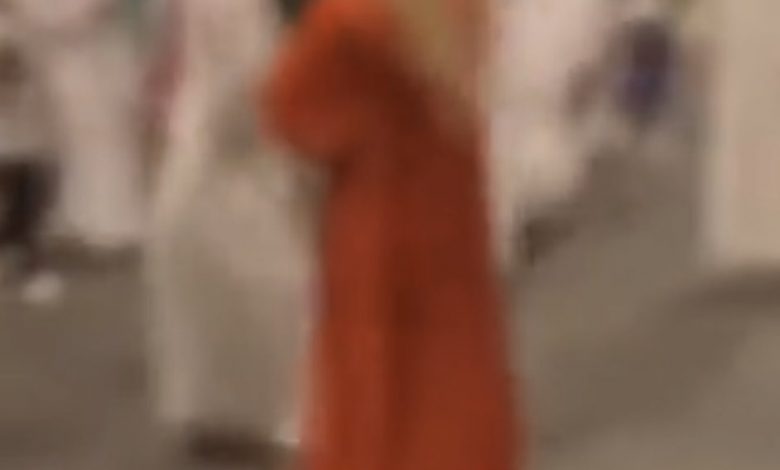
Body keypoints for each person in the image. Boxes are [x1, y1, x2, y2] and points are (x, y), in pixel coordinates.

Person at [261, 0, 518, 469]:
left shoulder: (346, 19)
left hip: (376, 218)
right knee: (457, 362)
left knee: (380, 378)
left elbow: (288, 109)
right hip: (451, 206)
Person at [147, 0, 316, 462]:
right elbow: (243, 82)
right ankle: (246, 412)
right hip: (227, 154)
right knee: (254, 287)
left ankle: (224, 410)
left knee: (231, 291)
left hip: (214, 150)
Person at [9, 0, 146, 251]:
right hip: (63, 65)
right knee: (72, 149)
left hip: (93, 68)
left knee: (101, 149)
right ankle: (79, 221)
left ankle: (108, 225)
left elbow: (70, 16)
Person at [0, 4, 62, 304]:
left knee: (28, 192)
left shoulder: (19, 23)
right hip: (15, 133)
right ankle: (31, 263)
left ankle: (32, 262)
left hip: (22, 130)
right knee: (22, 192)